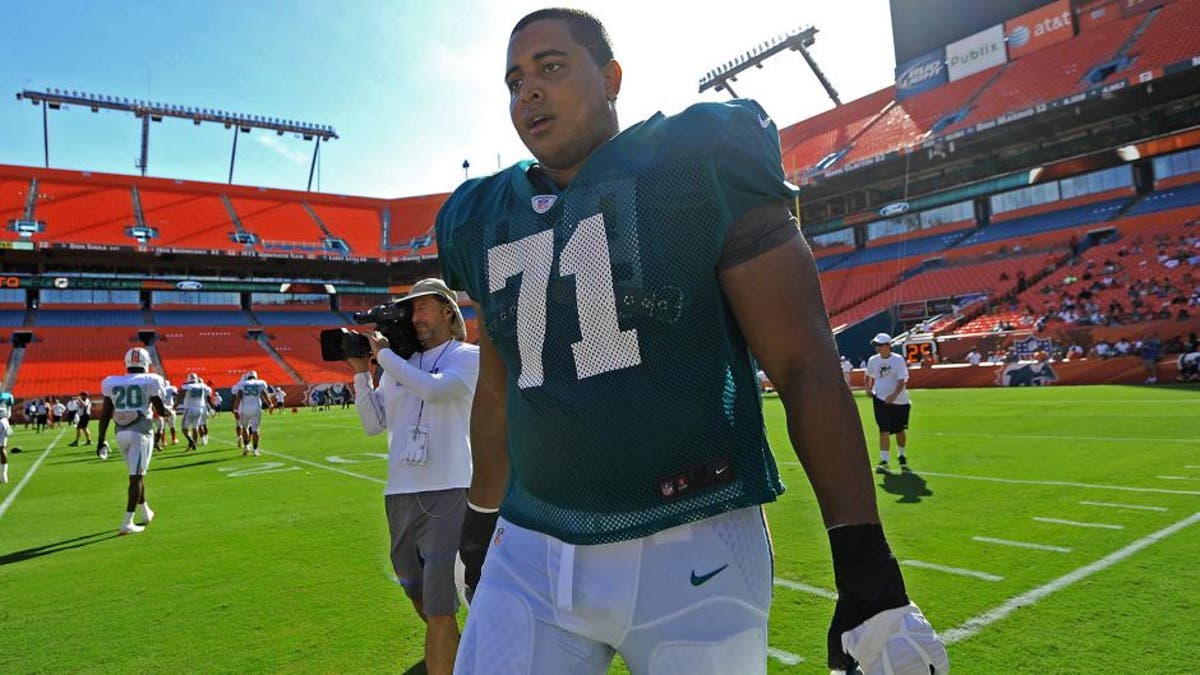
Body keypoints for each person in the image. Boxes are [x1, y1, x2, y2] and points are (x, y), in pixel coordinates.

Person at [437, 9, 946, 675]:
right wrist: (479, 518)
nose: (527, 91)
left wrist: (865, 566)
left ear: (611, 77)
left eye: (550, 67)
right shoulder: (482, 216)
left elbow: (802, 364)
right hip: (532, 545)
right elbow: (499, 392)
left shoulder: (697, 161)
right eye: (513, 80)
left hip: (693, 542)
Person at [348, 279, 479, 675]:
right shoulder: (398, 365)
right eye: (411, 310)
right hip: (400, 492)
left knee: (440, 604)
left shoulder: (467, 355)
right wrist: (360, 375)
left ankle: (451, 650)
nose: (414, 318)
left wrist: (385, 358)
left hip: (449, 489)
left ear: (447, 312)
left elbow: (436, 391)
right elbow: (374, 424)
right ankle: (463, 645)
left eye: (422, 308)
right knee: (416, 593)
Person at [96, 347, 170, 535]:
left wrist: (101, 440)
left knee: (136, 474)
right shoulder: (151, 380)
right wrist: (169, 410)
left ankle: (145, 511)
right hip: (141, 432)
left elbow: (105, 414)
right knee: (136, 477)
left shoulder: (112, 382)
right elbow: (160, 410)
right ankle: (127, 522)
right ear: (146, 363)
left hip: (120, 433)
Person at [865, 334, 912, 474]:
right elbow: (868, 375)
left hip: (899, 402)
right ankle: (884, 460)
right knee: (883, 429)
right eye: (876, 345)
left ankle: (902, 454)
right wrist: (867, 388)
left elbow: (902, 380)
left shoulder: (898, 360)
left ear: (887, 345)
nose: (877, 348)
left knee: (899, 430)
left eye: (879, 345)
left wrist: (893, 396)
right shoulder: (873, 360)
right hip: (879, 399)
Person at [231, 370, 272, 457]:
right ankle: (255, 450)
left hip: (245, 408)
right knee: (255, 429)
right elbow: (264, 394)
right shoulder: (260, 383)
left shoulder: (242, 384)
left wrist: (235, 409)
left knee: (245, 427)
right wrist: (270, 404)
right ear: (255, 376)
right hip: (256, 408)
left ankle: (246, 446)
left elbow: (239, 396)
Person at [179, 373, 213, 451]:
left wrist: (176, 404)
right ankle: (194, 444)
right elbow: (208, 394)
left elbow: (181, 394)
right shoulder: (202, 386)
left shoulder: (186, 386)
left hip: (190, 408)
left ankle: (191, 441)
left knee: (184, 428)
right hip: (200, 408)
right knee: (195, 427)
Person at [0, 389, 14, 483]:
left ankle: (3, 475)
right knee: (2, 448)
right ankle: (4, 475)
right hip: (4, 421)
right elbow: (9, 411)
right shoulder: (7, 396)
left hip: (3, 420)